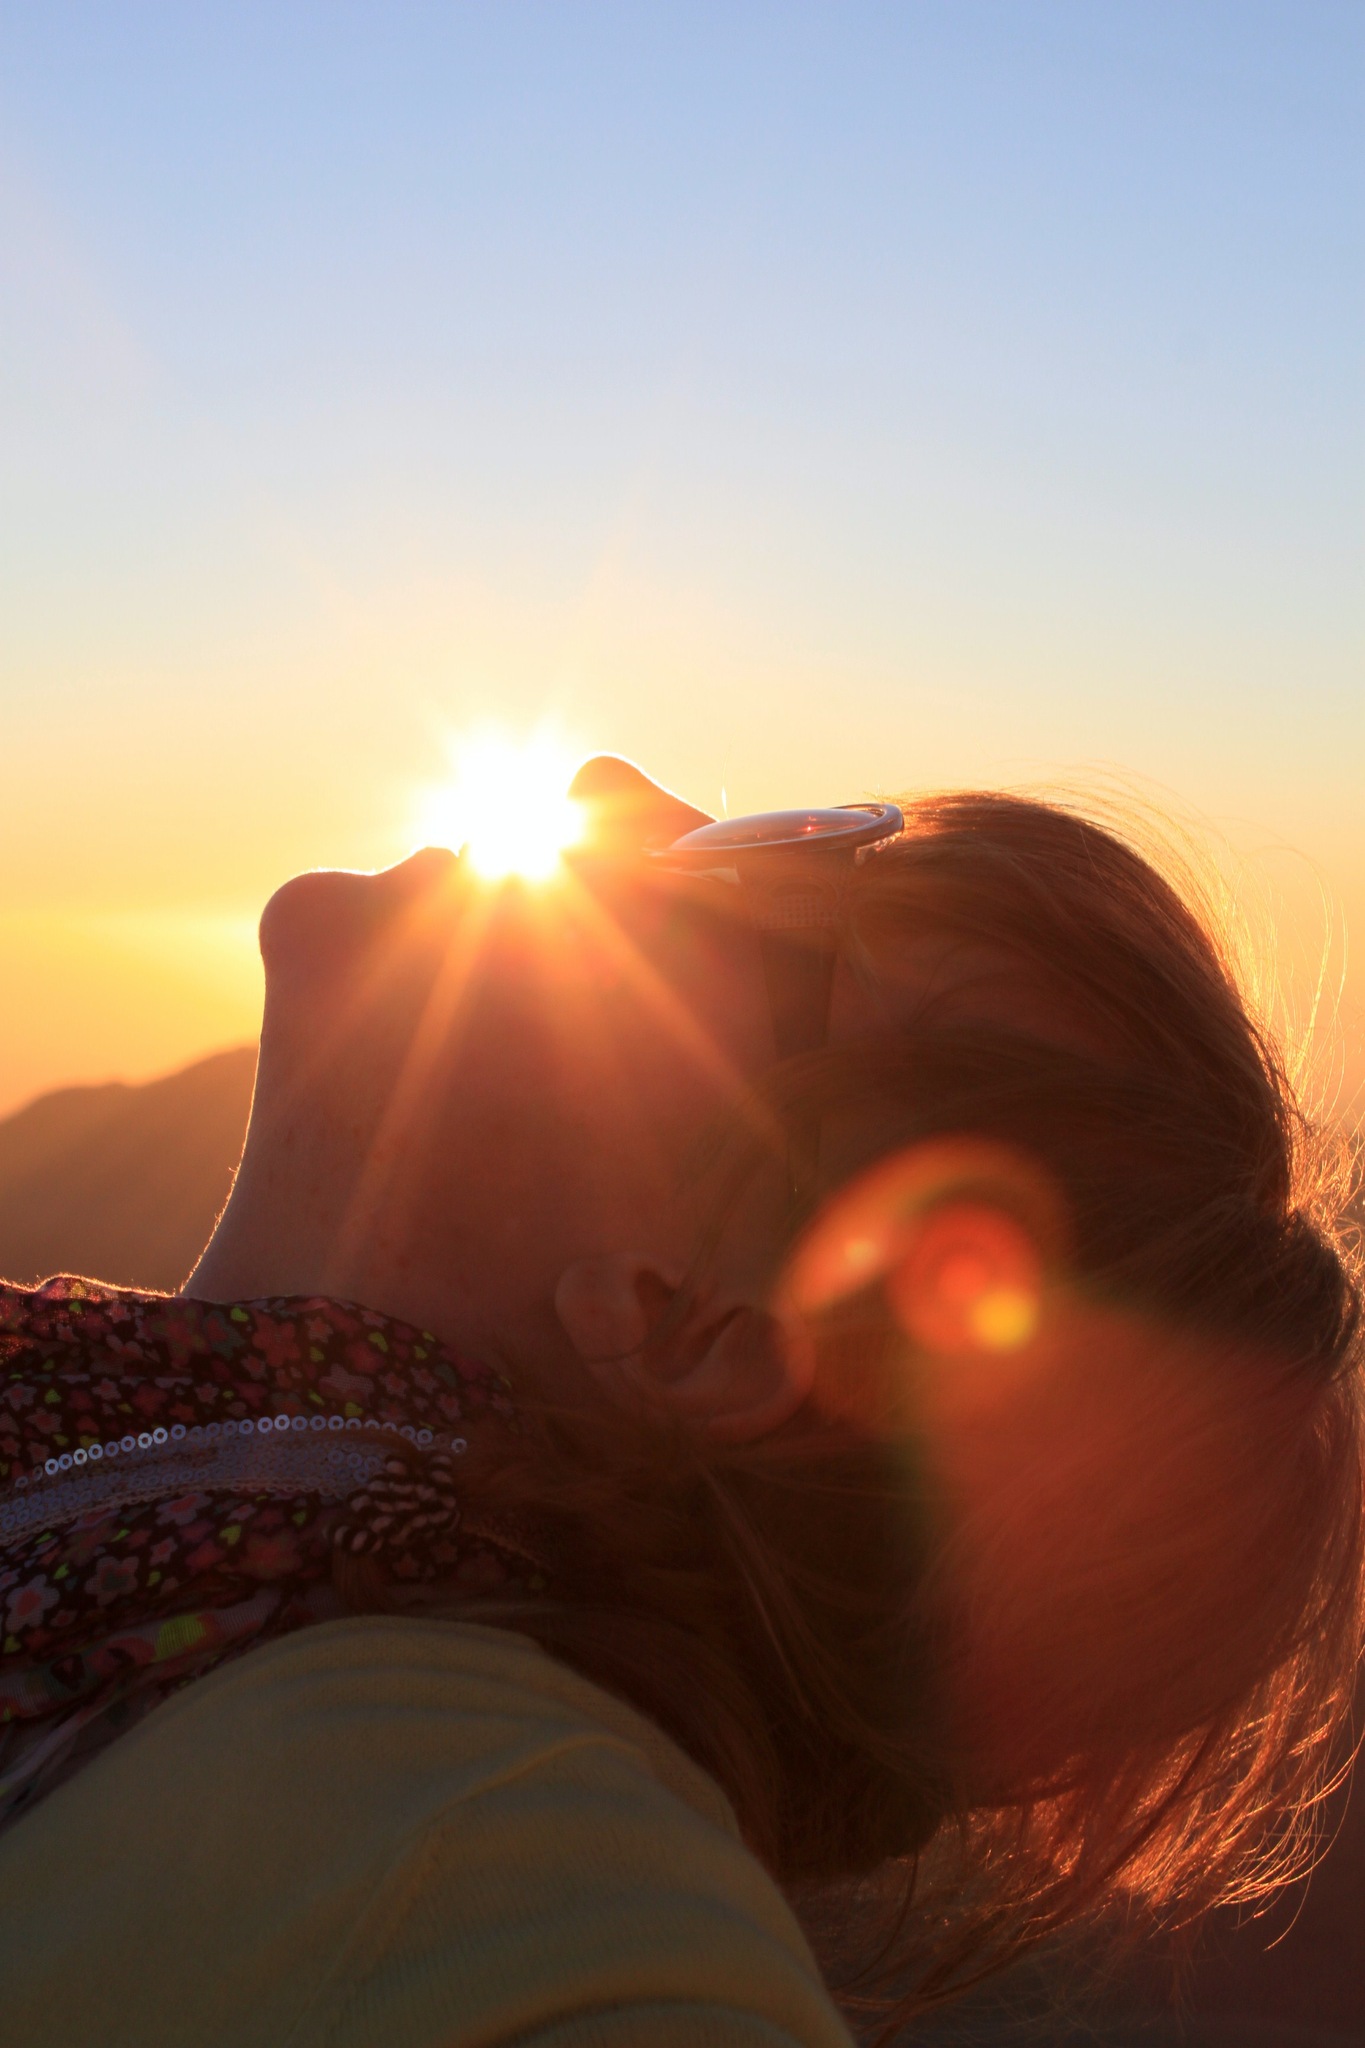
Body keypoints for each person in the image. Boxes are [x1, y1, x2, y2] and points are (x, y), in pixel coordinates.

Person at [0, 757, 1359, 2048]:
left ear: (698, 1324)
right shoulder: (162, 1584)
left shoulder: (515, 1867)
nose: (613, 787)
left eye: (797, 875)